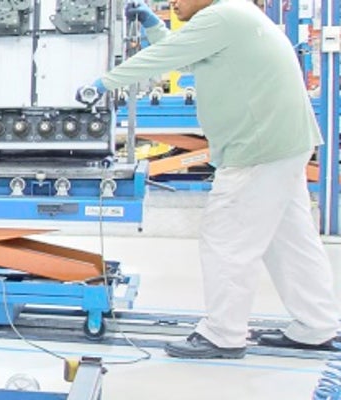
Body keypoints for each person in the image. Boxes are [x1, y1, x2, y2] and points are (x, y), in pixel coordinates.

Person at [93, 0, 340, 358]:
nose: (174, 3)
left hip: (257, 149)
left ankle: (223, 334)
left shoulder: (220, 16)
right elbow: (186, 58)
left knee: (226, 239)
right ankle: (315, 326)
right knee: (291, 241)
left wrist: (101, 83)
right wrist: (152, 26)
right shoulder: (235, 14)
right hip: (284, 144)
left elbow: (163, 58)